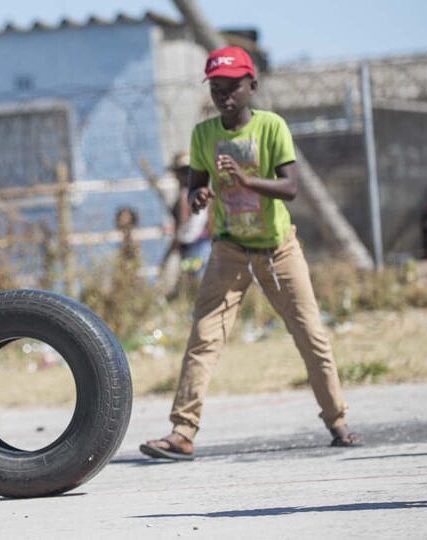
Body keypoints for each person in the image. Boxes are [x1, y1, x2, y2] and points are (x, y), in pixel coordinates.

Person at [138, 46, 361, 461]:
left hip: (277, 248)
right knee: (203, 337)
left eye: (232, 87)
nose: (224, 95)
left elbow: (291, 188)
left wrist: (245, 178)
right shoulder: (204, 134)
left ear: (251, 86)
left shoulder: (271, 127)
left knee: (310, 334)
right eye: (216, 88)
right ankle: (182, 433)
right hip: (229, 250)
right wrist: (199, 194)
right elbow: (197, 186)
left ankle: (338, 421)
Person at [169, 151, 212, 280]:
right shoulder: (203, 194)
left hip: (195, 246)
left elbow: (182, 227)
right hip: (203, 245)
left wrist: (171, 250)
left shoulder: (185, 195)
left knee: (196, 284)